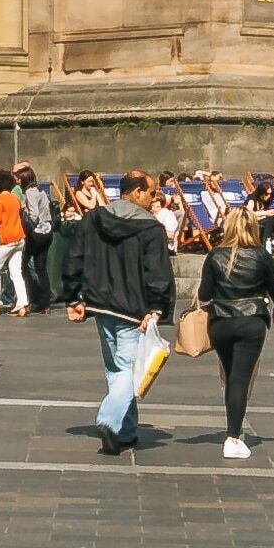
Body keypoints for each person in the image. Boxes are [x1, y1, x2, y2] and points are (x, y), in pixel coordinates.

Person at [64, 170, 176, 455]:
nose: (154, 199)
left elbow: (74, 256)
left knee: (115, 367)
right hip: (134, 309)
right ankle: (110, 420)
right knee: (129, 369)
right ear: (137, 192)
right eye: (151, 193)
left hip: (100, 304)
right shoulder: (150, 229)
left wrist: (73, 296)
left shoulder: (93, 220)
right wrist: (157, 307)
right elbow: (157, 272)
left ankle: (126, 430)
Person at [195, 200, 274, 459]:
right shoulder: (261, 255)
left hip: (221, 320)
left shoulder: (215, 255)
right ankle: (233, 436)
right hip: (251, 320)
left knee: (230, 374)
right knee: (241, 377)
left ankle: (233, 423)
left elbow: (204, 294)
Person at [0, 170, 28, 316]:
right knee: (16, 272)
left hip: (5, 239)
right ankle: (22, 303)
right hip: (19, 238)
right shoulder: (14, 198)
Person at [17, 165, 55, 313]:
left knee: (24, 265)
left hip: (36, 233)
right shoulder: (40, 190)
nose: (18, 182)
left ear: (24, 180)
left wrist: (26, 224)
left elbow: (34, 214)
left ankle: (31, 299)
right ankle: (45, 303)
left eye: (20, 179)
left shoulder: (30, 192)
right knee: (41, 268)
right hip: (47, 232)